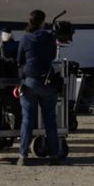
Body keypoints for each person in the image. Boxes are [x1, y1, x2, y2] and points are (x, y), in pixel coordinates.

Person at [16, 9, 60, 166]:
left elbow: (19, 59)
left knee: (27, 119)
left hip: (30, 83)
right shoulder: (50, 37)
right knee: (50, 121)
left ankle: (23, 156)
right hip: (48, 83)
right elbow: (53, 56)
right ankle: (54, 154)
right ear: (42, 22)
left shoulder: (25, 38)